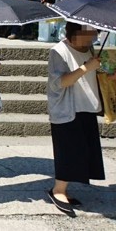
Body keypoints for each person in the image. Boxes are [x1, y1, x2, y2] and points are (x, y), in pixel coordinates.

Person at [46, 22, 110, 216]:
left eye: (94, 34)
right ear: (75, 33)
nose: (92, 38)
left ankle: (63, 188)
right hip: (67, 108)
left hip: (87, 106)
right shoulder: (58, 51)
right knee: (68, 150)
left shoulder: (90, 49)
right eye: (89, 34)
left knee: (82, 150)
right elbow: (60, 82)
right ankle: (58, 190)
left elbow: (94, 74)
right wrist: (86, 67)